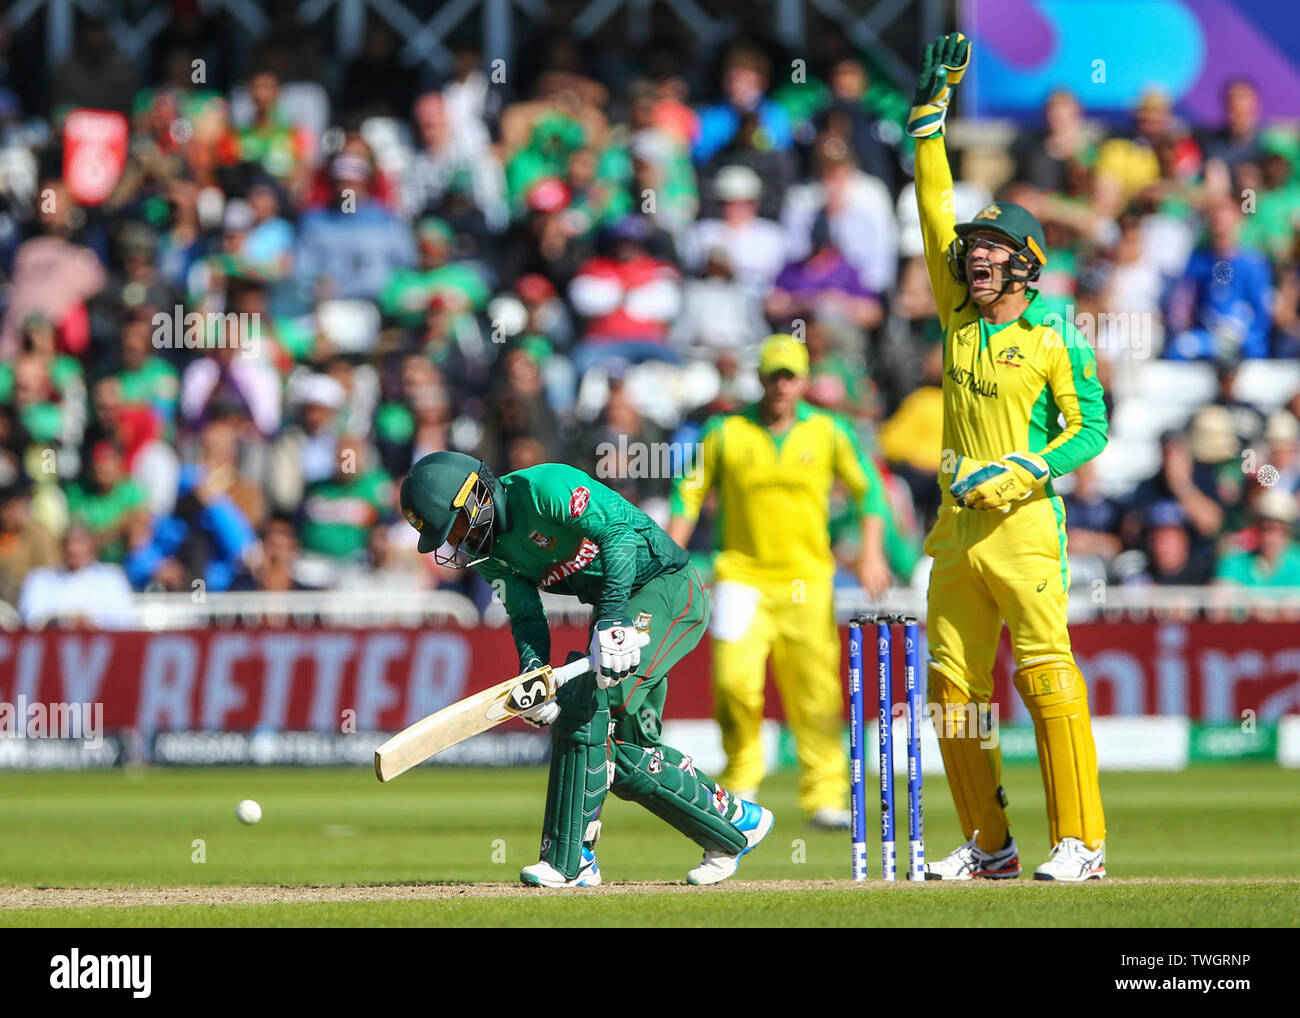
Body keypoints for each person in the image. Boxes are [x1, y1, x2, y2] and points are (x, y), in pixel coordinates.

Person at [908, 34, 1109, 881]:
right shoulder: (957, 315)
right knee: (954, 695)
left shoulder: (1054, 333)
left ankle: (1082, 844)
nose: (973, 255)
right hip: (955, 531)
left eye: (992, 250)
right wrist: (929, 124)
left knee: (1046, 676)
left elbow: (1092, 429)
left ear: (1026, 266)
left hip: (1026, 527)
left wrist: (1026, 468)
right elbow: (935, 209)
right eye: (971, 248)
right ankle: (989, 847)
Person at [398, 451, 773, 887]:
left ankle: (570, 858)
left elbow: (617, 535)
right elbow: (526, 618)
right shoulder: (493, 557)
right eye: (450, 536)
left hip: (664, 587)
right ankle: (733, 821)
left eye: (458, 525)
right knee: (628, 756)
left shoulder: (544, 489)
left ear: (478, 493)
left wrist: (613, 619)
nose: (460, 541)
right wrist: (535, 675)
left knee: (588, 707)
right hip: (615, 610)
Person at [667, 334, 892, 828]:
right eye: (773, 375)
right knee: (732, 683)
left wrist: (872, 551)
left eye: (790, 376)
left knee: (816, 694)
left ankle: (824, 795)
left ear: (804, 380)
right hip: (740, 577)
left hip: (807, 580)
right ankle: (742, 777)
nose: (781, 385)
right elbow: (687, 495)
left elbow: (870, 491)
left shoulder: (830, 431)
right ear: (760, 378)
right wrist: (673, 559)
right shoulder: (725, 431)